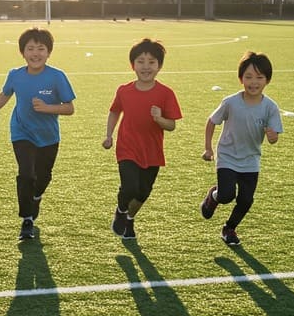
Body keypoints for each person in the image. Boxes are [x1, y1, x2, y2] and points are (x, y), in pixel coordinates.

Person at [0, 27, 76, 241]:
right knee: (26, 174)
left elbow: (69, 108)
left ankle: (37, 196)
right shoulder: (15, 75)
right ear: (23, 52)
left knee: (43, 177)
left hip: (48, 136)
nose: (35, 53)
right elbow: (4, 95)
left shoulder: (57, 77)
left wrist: (48, 108)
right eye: (30, 48)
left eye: (41, 48)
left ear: (48, 52)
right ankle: (27, 219)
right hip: (21, 132)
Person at [200, 51, 282, 246]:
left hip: (251, 159)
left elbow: (274, 138)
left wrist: (272, 136)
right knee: (227, 195)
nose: (254, 82)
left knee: (246, 200)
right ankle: (214, 196)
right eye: (249, 77)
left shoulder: (270, 107)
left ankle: (229, 229)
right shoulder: (230, 102)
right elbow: (212, 122)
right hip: (227, 156)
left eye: (259, 77)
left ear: (267, 80)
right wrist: (208, 148)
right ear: (240, 79)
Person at [103, 38, 182, 240]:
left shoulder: (166, 93)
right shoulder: (124, 90)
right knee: (130, 187)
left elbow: (171, 125)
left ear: (159, 66)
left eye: (151, 62)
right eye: (140, 61)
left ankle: (129, 219)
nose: (146, 66)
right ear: (133, 65)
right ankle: (121, 211)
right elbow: (114, 112)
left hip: (152, 151)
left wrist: (159, 118)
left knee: (143, 192)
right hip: (127, 147)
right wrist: (109, 135)